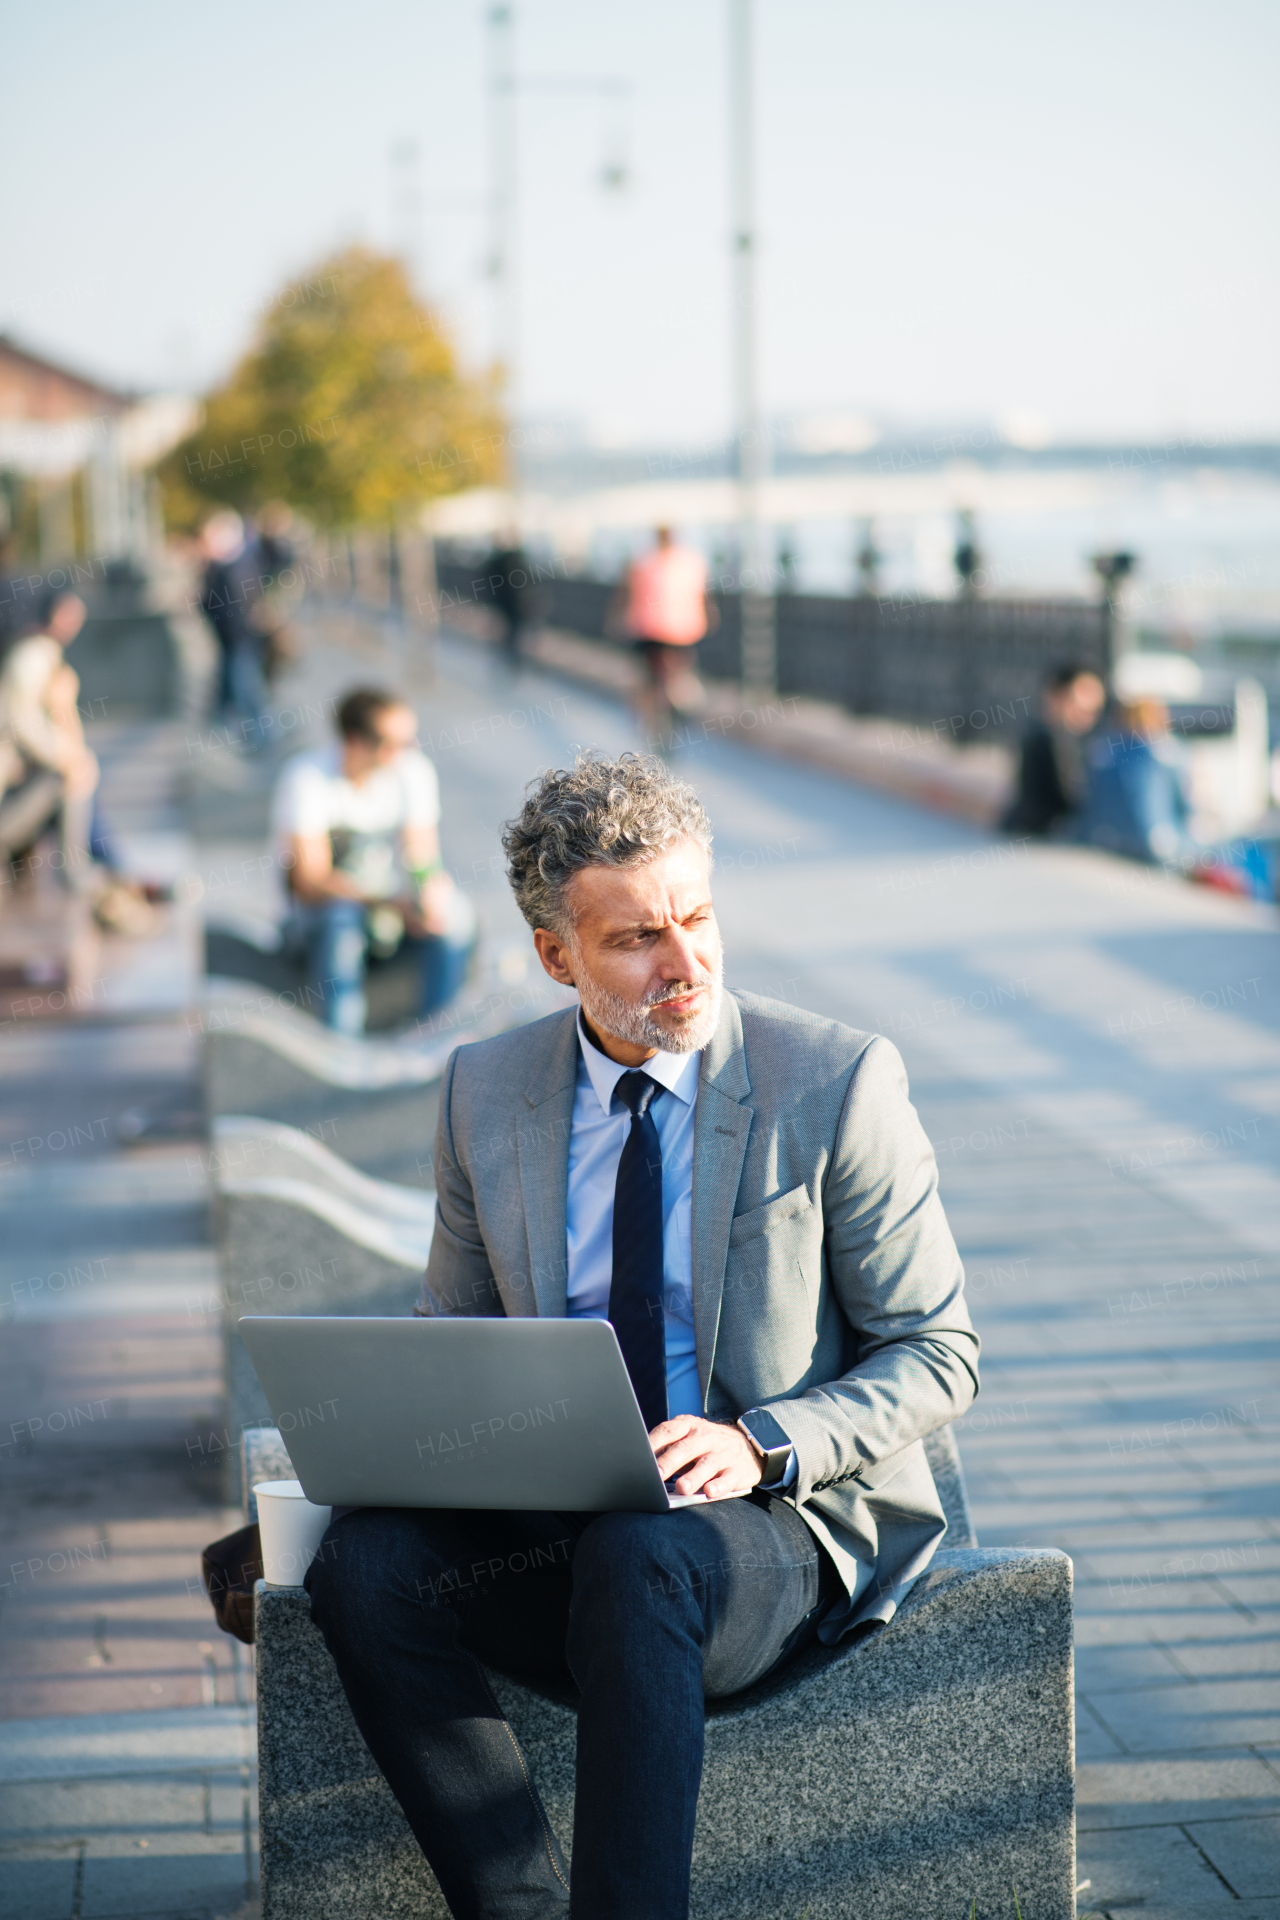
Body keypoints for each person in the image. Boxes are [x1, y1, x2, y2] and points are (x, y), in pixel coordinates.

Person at [306, 751, 979, 1917]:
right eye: (634, 941)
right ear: (554, 957)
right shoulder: (484, 1089)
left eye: (698, 919)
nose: (685, 965)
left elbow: (937, 1350)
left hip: (773, 1528)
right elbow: (451, 1340)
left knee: (638, 1556)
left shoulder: (833, 1081)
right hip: (558, 1520)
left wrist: (760, 1441)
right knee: (363, 1569)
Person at [272, 686, 476, 1033]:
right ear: (354, 741)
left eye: (410, 741)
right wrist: (390, 903)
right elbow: (311, 881)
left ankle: (435, 1039)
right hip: (314, 922)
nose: (406, 752)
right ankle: (342, 1044)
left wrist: (428, 892)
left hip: (386, 912)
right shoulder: (308, 779)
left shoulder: (413, 771)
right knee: (342, 921)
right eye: (392, 743)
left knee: (455, 919)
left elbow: (422, 853)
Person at [613, 527, 717, 741]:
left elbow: (626, 594)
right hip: (684, 630)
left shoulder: (642, 562)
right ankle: (683, 700)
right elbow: (705, 594)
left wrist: (618, 619)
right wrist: (710, 617)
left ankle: (646, 713)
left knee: (647, 676)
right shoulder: (692, 562)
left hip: (648, 630)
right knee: (680, 668)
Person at [1075, 695, 1191, 864]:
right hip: (1158, 843)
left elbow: (1092, 803)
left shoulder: (1104, 754)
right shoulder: (1163, 754)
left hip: (1106, 842)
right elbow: (1183, 805)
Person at [1001, 661, 1106, 836]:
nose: (1088, 707)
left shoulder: (1069, 739)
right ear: (1056, 695)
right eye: (1083, 694)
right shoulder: (1051, 739)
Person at [198, 509, 270, 738]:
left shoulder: (235, 567)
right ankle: (242, 739)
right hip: (234, 642)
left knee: (247, 694)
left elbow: (231, 609)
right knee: (235, 694)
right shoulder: (228, 566)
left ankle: (262, 740)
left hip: (239, 641)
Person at [479, 532, 535, 663]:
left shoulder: (508, 559)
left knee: (514, 632)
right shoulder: (511, 559)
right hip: (510, 603)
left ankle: (512, 657)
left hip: (512, 604)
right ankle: (512, 658)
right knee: (512, 632)